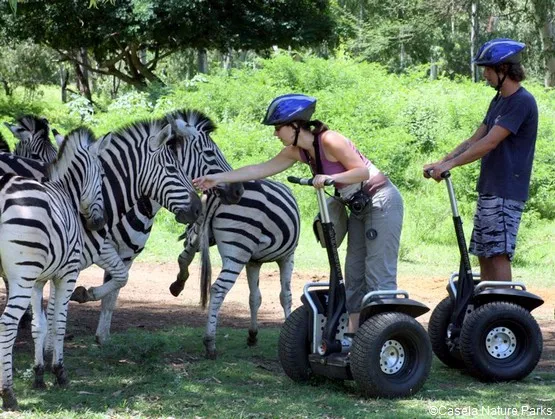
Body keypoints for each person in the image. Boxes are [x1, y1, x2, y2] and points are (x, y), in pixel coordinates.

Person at [193, 93, 404, 334]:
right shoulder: (299, 152)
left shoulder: (330, 140)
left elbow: (361, 173)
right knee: (354, 273)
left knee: (378, 271)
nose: (275, 133)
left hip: (381, 200)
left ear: (295, 125)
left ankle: (385, 336)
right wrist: (217, 178)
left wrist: (330, 178)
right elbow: (259, 169)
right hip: (358, 206)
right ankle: (354, 337)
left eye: (277, 128)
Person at [424, 38, 538, 282]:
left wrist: (450, 165)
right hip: (490, 188)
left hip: (507, 191)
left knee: (498, 254)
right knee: (485, 253)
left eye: (487, 69)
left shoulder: (521, 102)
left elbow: (489, 143)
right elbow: (475, 139)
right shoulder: (499, 101)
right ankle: (487, 312)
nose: (484, 74)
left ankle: (504, 311)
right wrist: (442, 161)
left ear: (503, 69)